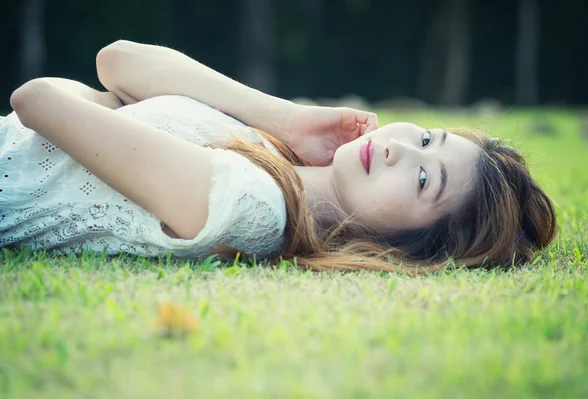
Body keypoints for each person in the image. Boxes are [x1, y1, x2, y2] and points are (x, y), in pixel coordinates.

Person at [1, 40, 556, 273]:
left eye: (421, 178)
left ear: (408, 245)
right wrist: (285, 118)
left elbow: (38, 99)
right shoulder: (274, 157)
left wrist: (100, 104)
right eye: (428, 139)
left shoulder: (254, 205)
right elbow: (117, 61)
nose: (398, 147)